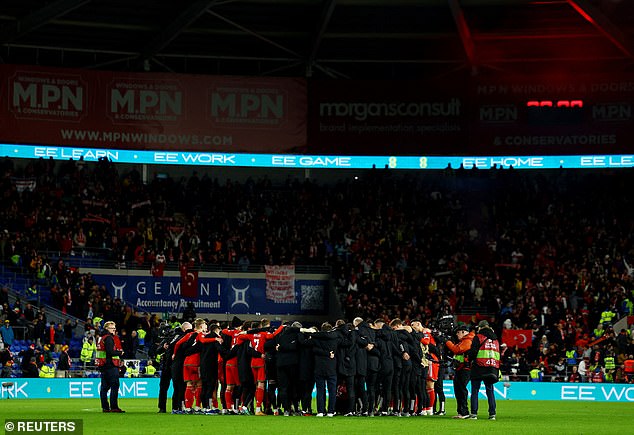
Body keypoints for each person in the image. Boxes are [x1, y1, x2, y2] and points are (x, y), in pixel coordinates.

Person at [468, 320, 500, 420]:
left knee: (475, 391)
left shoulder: (478, 337)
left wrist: (469, 359)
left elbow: (473, 352)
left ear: (480, 327)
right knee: (490, 391)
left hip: (478, 367)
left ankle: (474, 414)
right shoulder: (496, 339)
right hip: (491, 367)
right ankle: (492, 414)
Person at [442, 324, 474, 419]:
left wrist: (447, 342)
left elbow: (456, 350)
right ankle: (461, 412)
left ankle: (464, 412)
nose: (457, 335)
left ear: (464, 332)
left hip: (465, 369)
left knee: (461, 390)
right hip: (460, 368)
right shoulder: (464, 341)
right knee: (458, 390)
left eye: (458, 332)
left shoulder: (468, 341)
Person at [96, 321, 125, 413]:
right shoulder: (108, 338)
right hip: (110, 365)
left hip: (103, 365)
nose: (114, 330)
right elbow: (110, 352)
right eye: (112, 328)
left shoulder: (101, 338)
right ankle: (114, 407)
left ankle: (105, 407)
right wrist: (120, 353)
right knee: (114, 385)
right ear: (107, 328)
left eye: (115, 328)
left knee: (104, 387)